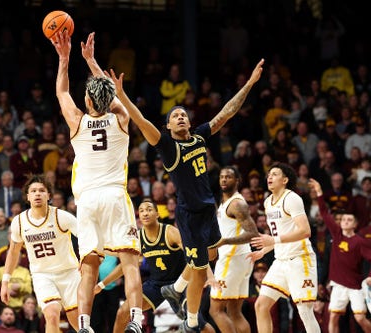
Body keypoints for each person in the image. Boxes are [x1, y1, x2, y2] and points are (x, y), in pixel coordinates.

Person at [108, 50, 263, 331]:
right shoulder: (167, 145)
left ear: (190, 122)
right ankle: (191, 320)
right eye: (174, 116)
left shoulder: (201, 135)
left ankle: (178, 287)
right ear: (167, 126)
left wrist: (250, 84)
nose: (180, 117)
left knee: (211, 258)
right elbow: (141, 121)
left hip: (208, 209)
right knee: (202, 267)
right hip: (189, 214)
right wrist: (122, 96)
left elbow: (227, 112)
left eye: (183, 115)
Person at [52, 30, 143, 333]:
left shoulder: (77, 121)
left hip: (87, 200)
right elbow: (114, 95)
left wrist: (65, 59)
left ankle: (84, 325)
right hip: (116, 197)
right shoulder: (121, 118)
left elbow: (62, 94)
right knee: (130, 263)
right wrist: (91, 61)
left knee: (87, 266)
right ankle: (136, 321)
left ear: (88, 99)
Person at [94, 199, 215, 333]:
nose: (145, 213)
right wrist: (101, 285)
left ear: (157, 214)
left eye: (149, 209)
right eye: (141, 210)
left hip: (180, 285)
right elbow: (125, 266)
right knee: (122, 312)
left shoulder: (170, 232)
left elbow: (196, 255)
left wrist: (210, 277)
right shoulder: (138, 238)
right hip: (156, 284)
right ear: (138, 216)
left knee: (198, 324)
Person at [1, 175, 79, 333]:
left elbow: (87, 237)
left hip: (69, 273)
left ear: (49, 196)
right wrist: (5, 281)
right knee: (51, 315)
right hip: (42, 274)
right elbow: (13, 251)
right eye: (33, 191)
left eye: (42, 190)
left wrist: (86, 261)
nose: (37, 193)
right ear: (27, 196)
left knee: (78, 322)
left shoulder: (61, 216)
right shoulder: (19, 221)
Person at [249, 163, 320, 333]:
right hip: (280, 261)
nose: (269, 177)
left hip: (300, 259)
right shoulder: (267, 202)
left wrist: (272, 240)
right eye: (268, 175)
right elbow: (278, 235)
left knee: (305, 311)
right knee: (261, 305)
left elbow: (305, 231)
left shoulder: (292, 198)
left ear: (285, 180)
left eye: (274, 174)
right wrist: (263, 251)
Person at [309, 178, 371, 333]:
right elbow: (324, 212)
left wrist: (370, 275)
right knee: (333, 318)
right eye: (343, 219)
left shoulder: (360, 241)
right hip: (338, 285)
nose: (345, 221)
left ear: (355, 224)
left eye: (349, 219)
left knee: (360, 319)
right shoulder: (336, 234)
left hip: (356, 286)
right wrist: (319, 193)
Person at [209, 166, 259, 333]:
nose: (224, 179)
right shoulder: (226, 202)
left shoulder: (236, 204)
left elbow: (253, 233)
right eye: (222, 176)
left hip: (232, 259)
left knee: (215, 310)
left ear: (237, 180)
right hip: (241, 259)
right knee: (234, 312)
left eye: (228, 177)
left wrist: (225, 241)